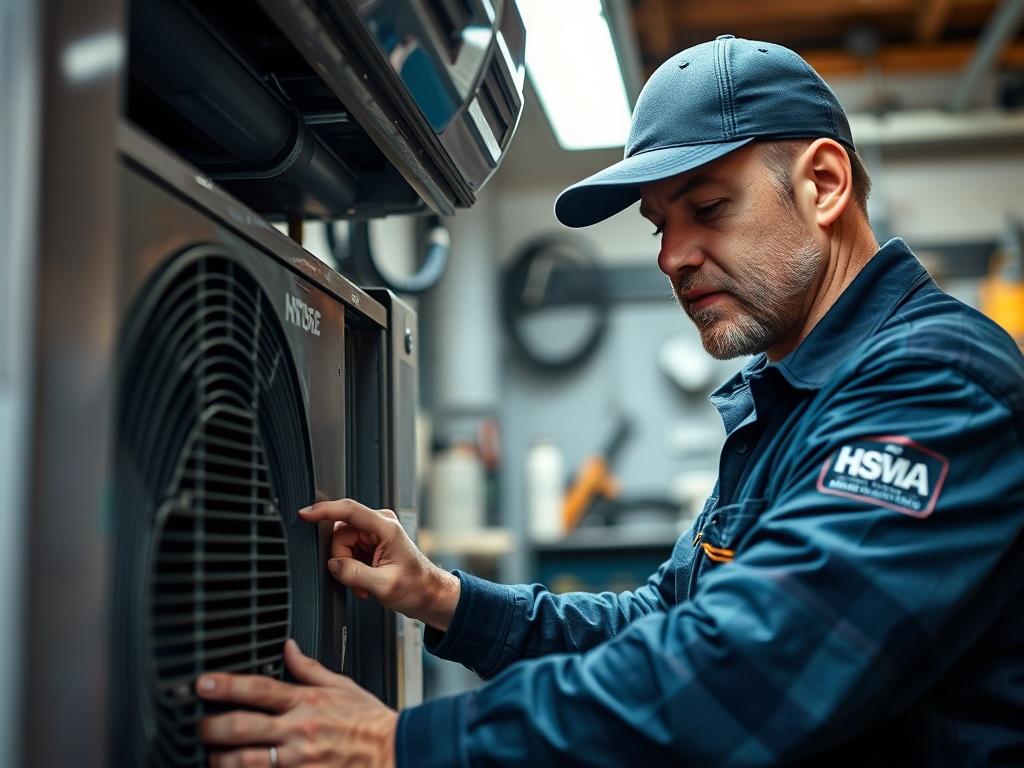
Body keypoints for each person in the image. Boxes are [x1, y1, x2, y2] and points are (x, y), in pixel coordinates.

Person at [196, 35, 1024, 767]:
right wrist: (444, 599)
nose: (673, 258)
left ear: (824, 183)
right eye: (659, 225)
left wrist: (398, 745)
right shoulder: (794, 399)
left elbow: (744, 668)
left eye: (708, 209)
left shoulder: (933, 381)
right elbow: (663, 620)